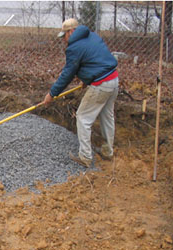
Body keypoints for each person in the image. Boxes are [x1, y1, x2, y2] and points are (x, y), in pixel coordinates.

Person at [41, 18, 119, 168]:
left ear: (71, 32)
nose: (63, 40)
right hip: (114, 80)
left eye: (64, 36)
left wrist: (52, 93)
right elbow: (95, 60)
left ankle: (85, 156)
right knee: (107, 116)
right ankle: (108, 151)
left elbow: (68, 73)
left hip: (101, 85)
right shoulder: (92, 36)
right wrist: (87, 78)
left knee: (83, 117)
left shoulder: (74, 47)